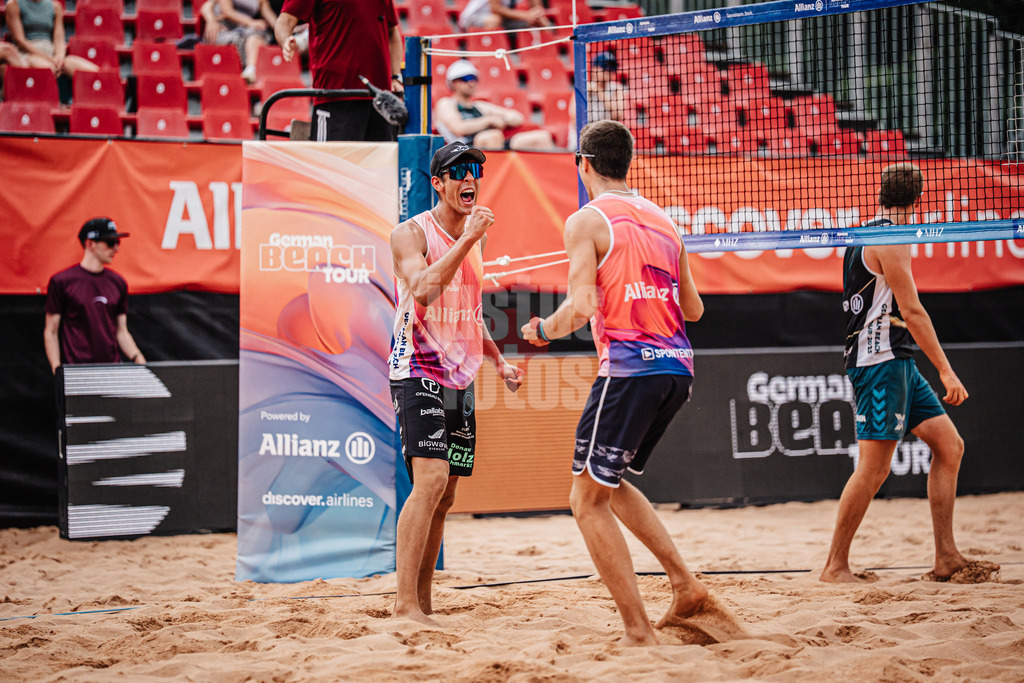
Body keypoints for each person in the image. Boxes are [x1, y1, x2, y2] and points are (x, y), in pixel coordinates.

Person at [520, 120, 707, 646]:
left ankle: (638, 632)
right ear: (628, 163)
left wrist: (542, 330)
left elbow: (582, 308)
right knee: (610, 481)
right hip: (677, 369)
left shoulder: (586, 219)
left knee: (585, 499)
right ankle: (685, 583)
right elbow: (693, 307)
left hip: (630, 368)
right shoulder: (664, 220)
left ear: (583, 163)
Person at [819, 163, 994, 583]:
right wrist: (947, 372)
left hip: (897, 360)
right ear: (919, 200)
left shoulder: (865, 231)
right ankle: (835, 566)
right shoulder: (891, 238)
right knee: (874, 468)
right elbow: (912, 311)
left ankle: (946, 556)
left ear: (881, 193)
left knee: (949, 446)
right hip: (879, 363)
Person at [388, 141, 524, 625]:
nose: (470, 178)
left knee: (447, 495)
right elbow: (423, 289)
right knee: (429, 480)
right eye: (459, 171)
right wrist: (467, 239)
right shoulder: (410, 234)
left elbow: (468, 312)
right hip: (418, 367)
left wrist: (498, 362)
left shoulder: (476, 237)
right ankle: (404, 605)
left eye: (475, 171)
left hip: (460, 374)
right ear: (438, 183)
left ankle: (423, 604)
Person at [274, 0, 404, 142]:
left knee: (380, 164)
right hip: (335, 97)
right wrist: (286, 40)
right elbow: (285, 21)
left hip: (380, 103)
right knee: (331, 163)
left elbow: (392, 32)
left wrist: (395, 76)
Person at [44, 218, 146, 374]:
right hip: (76, 372)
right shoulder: (62, 282)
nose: (116, 248)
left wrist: (138, 357)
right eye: (110, 243)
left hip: (112, 371)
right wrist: (57, 370)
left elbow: (121, 331)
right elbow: (51, 331)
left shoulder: (118, 283)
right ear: (90, 243)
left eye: (118, 242)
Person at [433, 59, 554, 151]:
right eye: (466, 78)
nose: (471, 83)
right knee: (492, 136)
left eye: (474, 78)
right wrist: (489, 121)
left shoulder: (479, 105)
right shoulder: (446, 103)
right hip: (463, 149)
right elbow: (459, 128)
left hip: (493, 143)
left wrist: (505, 119)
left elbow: (517, 117)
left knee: (541, 137)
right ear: (453, 82)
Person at [5, 0, 98, 80]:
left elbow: (59, 40)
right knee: (49, 69)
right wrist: (48, 59)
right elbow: (20, 41)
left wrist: (59, 57)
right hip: (29, 54)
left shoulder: (55, 7)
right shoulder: (14, 4)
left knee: (93, 71)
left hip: (52, 54)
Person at [204, 0, 278, 84]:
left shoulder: (262, 1)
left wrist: (286, 30)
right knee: (252, 35)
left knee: (258, 36)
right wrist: (250, 22)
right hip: (225, 28)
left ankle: (250, 71)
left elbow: (273, 22)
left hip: (245, 30)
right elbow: (227, 11)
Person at [458, 0, 551, 32]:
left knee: (541, 23)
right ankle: (490, 50)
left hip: (502, 18)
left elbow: (537, 10)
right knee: (494, 20)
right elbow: (495, 8)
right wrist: (526, 15)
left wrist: (537, 17)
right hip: (473, 17)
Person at [586, 51, 624, 123]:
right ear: (594, 69)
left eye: (612, 68)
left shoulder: (617, 88)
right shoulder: (585, 88)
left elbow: (619, 115)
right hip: (585, 131)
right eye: (605, 67)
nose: (609, 71)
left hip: (605, 131)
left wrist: (599, 91)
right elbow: (574, 118)